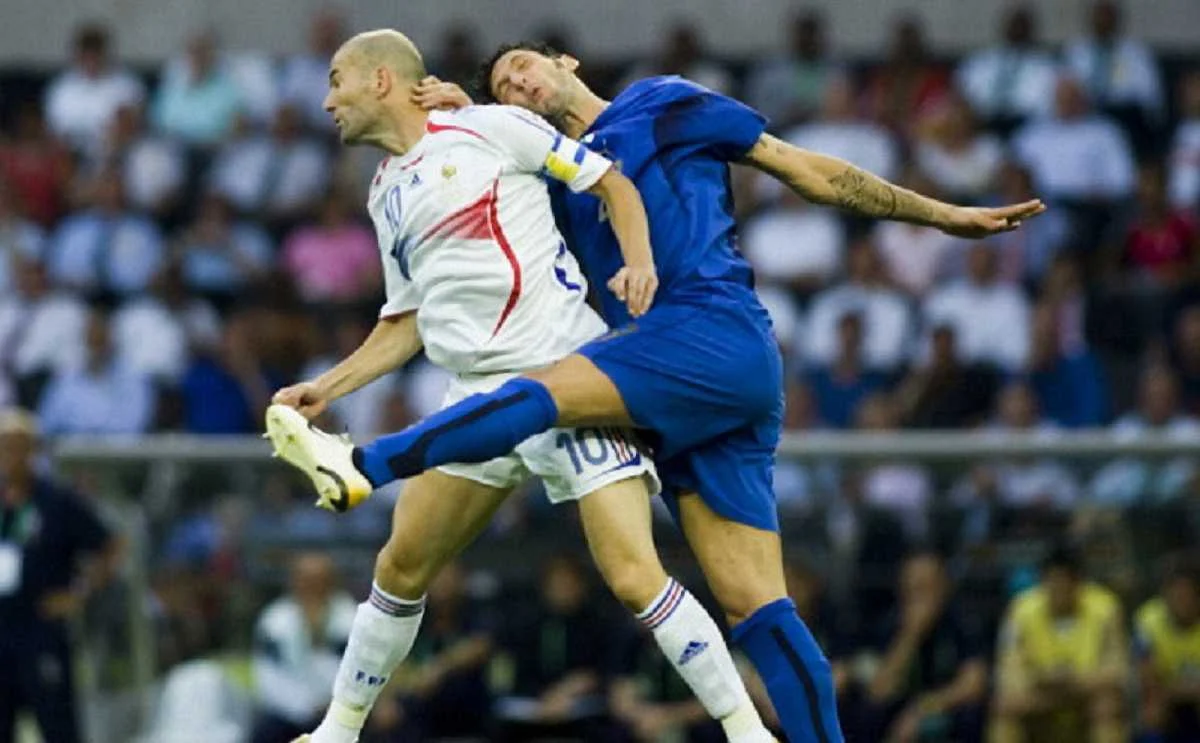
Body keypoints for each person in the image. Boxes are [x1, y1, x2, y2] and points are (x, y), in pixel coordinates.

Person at [293, 38, 1045, 743]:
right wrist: (462, 120)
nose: (516, 83)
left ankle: (368, 464)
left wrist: (941, 213)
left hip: (707, 332)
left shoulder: (663, 101)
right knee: (758, 607)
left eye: (523, 66)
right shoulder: (546, 170)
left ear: (565, 61)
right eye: (502, 86)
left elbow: (804, 168)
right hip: (667, 384)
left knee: (539, 395)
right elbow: (487, 206)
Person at [265, 29, 773, 743]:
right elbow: (406, 320)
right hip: (474, 394)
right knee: (401, 564)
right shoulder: (384, 191)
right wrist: (329, 385)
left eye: (337, 80)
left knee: (634, 576)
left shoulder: (491, 127)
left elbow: (612, 181)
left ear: (382, 81)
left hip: (567, 373)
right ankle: (337, 733)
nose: (327, 101)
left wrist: (638, 263)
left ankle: (747, 731)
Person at [0, 408, 120, 743]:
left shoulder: (56, 501)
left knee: (57, 727)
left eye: (16, 446)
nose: (8, 455)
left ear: (33, 450)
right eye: (3, 446)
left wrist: (80, 592)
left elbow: (111, 546)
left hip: (41, 630)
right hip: (1, 629)